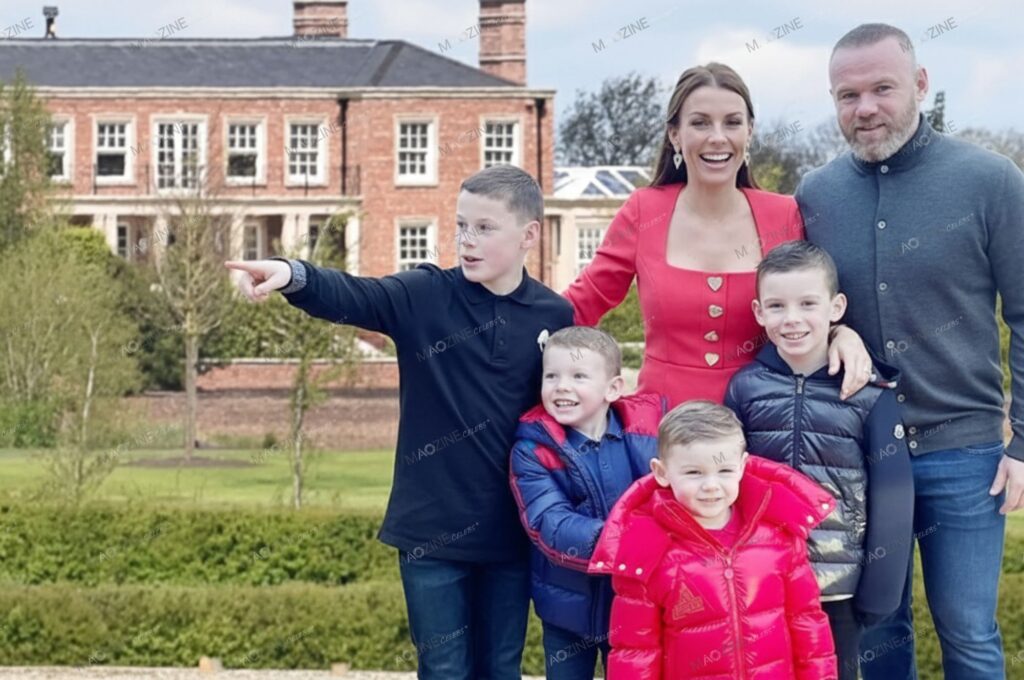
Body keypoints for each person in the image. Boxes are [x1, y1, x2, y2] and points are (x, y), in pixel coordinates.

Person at [224, 164, 575, 680]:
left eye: (484, 227)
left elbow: (570, 413)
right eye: (460, 226)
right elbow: (354, 294)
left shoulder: (556, 315)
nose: (466, 240)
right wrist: (293, 275)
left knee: (501, 669)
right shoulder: (425, 295)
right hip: (430, 531)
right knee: (444, 669)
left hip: (513, 534)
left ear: (529, 235)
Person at [795, 23, 1024, 679]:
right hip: (861, 455)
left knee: (969, 634)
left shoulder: (991, 181)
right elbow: (804, 300)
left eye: (881, 89)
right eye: (847, 95)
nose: (864, 108)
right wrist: (837, 331)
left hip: (967, 451)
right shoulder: (815, 193)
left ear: (920, 85)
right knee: (879, 635)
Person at [562, 62, 874, 408]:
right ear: (675, 134)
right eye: (699, 123)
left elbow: (812, 303)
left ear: (750, 132)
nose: (717, 137)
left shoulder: (784, 215)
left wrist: (840, 334)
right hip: (661, 432)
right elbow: (579, 306)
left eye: (732, 122)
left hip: (764, 426)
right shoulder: (644, 210)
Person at [723, 240, 914, 679]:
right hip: (761, 582)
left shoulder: (869, 393)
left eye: (808, 303)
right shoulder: (745, 387)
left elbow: (893, 494)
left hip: (837, 590)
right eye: (776, 306)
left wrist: (880, 590)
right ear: (758, 312)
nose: (791, 319)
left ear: (836, 307)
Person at [589, 400, 838, 679]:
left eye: (724, 471)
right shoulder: (645, 552)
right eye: (694, 472)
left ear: (743, 466)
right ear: (662, 472)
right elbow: (635, 652)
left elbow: (807, 622)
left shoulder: (779, 535)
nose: (711, 485)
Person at [509, 326, 663, 679]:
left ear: (613, 388)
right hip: (565, 610)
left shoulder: (646, 438)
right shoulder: (532, 451)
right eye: (552, 376)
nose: (562, 386)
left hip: (634, 608)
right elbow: (550, 525)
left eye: (578, 376)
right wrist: (634, 541)